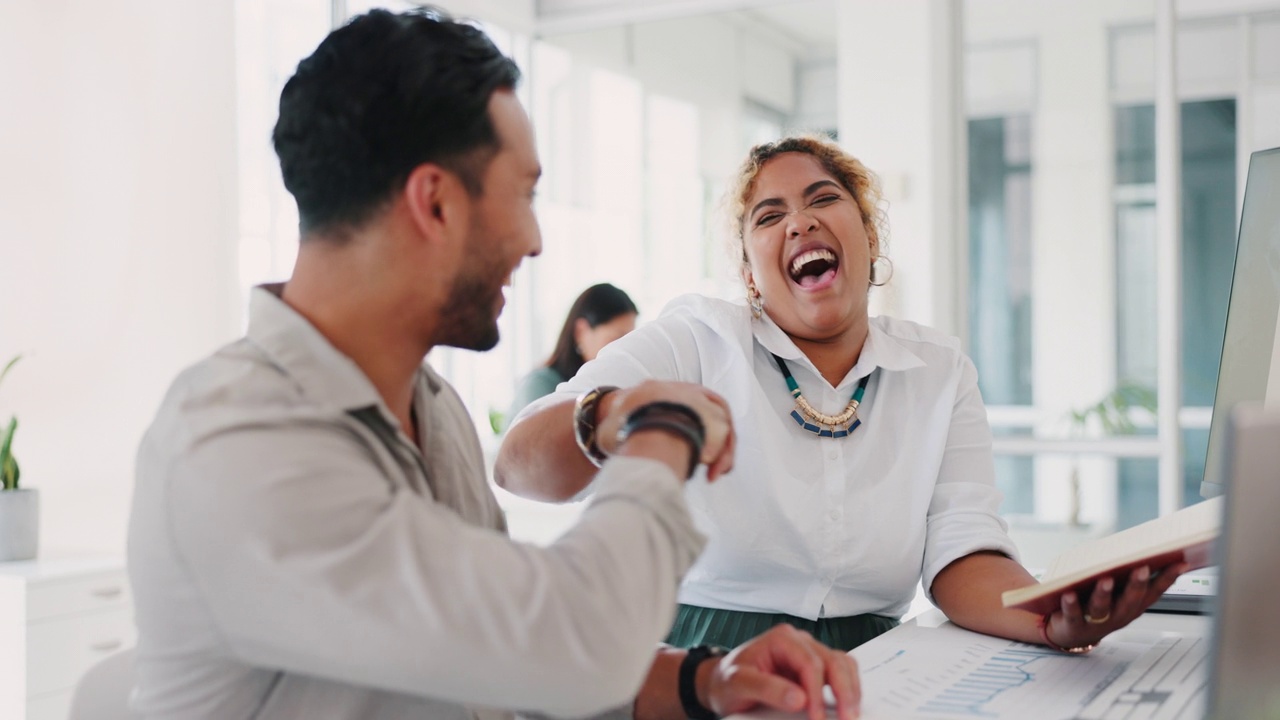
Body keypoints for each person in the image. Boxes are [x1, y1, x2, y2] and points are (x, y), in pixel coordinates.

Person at [126, 11, 860, 720]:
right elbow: (581, 637)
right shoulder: (239, 443)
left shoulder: (433, 407)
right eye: (525, 193)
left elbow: (516, 655)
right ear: (436, 204)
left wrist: (707, 680)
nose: (535, 238)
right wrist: (661, 425)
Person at [496, 134, 1187, 655]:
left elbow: (963, 552)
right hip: (701, 666)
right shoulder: (699, 337)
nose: (799, 223)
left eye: (823, 200)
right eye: (769, 216)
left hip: (878, 669)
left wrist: (1050, 618)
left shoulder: (939, 368)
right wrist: (612, 411)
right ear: (749, 270)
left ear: (869, 233)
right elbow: (519, 462)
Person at [507, 282, 638, 423]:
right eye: (616, 339)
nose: (623, 349)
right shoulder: (539, 385)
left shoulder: (607, 385)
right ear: (580, 332)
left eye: (629, 341)